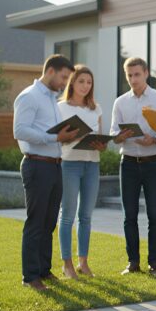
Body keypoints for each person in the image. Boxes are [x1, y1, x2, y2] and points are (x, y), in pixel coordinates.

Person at [13, 54, 78, 291]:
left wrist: (68, 137)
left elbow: (52, 134)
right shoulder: (29, 96)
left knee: (49, 221)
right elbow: (19, 130)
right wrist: (55, 137)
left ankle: (43, 270)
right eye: (63, 77)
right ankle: (30, 276)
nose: (64, 83)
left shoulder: (52, 100)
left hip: (54, 165)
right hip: (36, 165)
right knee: (36, 221)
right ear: (50, 71)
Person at [111, 57, 156, 277]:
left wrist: (154, 140)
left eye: (137, 74)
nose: (133, 79)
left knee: (155, 215)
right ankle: (133, 262)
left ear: (146, 73)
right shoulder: (120, 102)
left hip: (153, 163)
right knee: (130, 216)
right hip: (128, 164)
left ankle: (154, 264)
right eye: (129, 75)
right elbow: (113, 135)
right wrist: (121, 136)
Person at [57, 64, 107, 280]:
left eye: (89, 82)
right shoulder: (60, 108)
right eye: (81, 81)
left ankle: (83, 263)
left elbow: (102, 139)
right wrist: (74, 137)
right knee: (68, 215)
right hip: (69, 164)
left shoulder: (96, 109)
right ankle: (66, 264)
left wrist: (101, 145)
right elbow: (58, 139)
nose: (85, 86)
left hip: (92, 164)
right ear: (72, 83)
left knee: (86, 216)